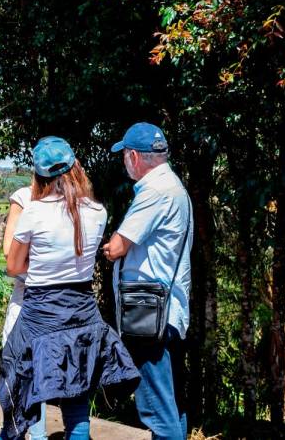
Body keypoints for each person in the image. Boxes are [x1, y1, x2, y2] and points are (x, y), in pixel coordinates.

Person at [0, 137, 140, 440]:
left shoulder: (34, 213)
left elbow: (13, 266)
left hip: (40, 318)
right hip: (82, 315)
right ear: (76, 167)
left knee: (20, 394)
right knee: (77, 404)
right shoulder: (97, 212)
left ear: (39, 175)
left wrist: (39, 266)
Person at [101, 123, 192, 440]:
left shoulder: (153, 193)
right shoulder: (176, 188)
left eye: (125, 155)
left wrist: (109, 246)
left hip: (149, 314)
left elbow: (118, 246)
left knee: (157, 409)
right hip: (171, 311)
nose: (124, 162)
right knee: (173, 405)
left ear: (135, 156)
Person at [0, 185, 47, 440]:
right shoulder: (25, 197)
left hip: (38, 296)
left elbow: (11, 256)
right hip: (45, 295)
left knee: (28, 369)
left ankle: (31, 434)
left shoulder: (26, 199)